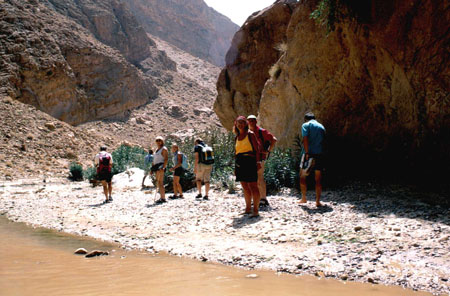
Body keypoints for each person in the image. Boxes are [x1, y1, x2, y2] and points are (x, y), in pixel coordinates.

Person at [234, 116, 263, 217]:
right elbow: (236, 152)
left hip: (249, 161)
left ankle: (255, 210)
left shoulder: (250, 134)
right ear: (235, 124)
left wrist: (258, 162)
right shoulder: (237, 137)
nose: (240, 124)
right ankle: (247, 209)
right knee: (245, 187)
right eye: (238, 122)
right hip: (240, 162)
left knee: (253, 186)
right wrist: (235, 167)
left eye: (242, 122)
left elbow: (257, 149)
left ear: (246, 123)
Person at [247, 114, 277, 208]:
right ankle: (257, 198)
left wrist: (268, 151)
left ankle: (263, 198)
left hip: (260, 158)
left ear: (256, 121)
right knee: (252, 179)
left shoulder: (261, 131)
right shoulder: (247, 132)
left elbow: (274, 139)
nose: (251, 122)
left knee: (260, 177)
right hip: (250, 158)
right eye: (249, 120)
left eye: (252, 120)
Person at [299, 112, 326, 207]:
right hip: (319, 154)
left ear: (306, 119)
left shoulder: (305, 125)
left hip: (309, 154)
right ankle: (318, 201)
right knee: (318, 178)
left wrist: (306, 152)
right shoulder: (321, 127)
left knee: (303, 175)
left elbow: (305, 138)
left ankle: (304, 198)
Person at [152, 136, 168, 204]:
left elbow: (166, 159)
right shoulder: (157, 149)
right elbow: (154, 160)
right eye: (157, 140)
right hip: (156, 167)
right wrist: (152, 169)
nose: (158, 142)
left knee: (160, 182)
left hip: (160, 167)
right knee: (158, 182)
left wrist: (163, 167)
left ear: (162, 141)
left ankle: (163, 198)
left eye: (159, 140)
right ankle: (162, 197)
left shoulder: (164, 149)